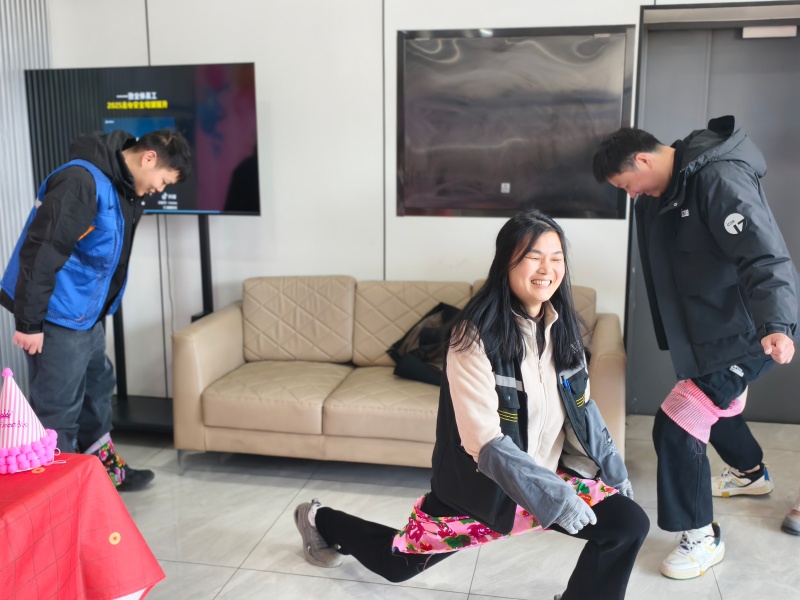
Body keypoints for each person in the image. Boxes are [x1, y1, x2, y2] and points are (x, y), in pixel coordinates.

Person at [294, 210, 649, 600]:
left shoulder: (565, 329)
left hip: (551, 477)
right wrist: (556, 498)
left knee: (628, 525)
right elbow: (484, 441)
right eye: (533, 257)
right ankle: (318, 519)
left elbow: (582, 410)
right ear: (506, 262)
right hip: (486, 489)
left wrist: (611, 470)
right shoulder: (473, 335)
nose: (547, 269)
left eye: (556, 257)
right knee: (396, 564)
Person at [592, 116, 798, 579]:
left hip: (751, 331)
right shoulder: (667, 190)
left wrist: (777, 323)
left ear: (643, 160)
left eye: (627, 184)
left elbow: (764, 253)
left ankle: (702, 538)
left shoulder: (717, 177)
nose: (630, 195)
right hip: (713, 332)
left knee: (676, 423)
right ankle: (750, 475)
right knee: (718, 408)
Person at [0, 129, 192, 491]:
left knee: (98, 387)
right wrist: (30, 323)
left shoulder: (123, 187)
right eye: (164, 181)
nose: (160, 189)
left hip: (85, 314)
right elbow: (41, 250)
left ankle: (101, 470)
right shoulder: (80, 181)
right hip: (56, 313)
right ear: (149, 158)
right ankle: (62, 495)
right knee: (58, 409)